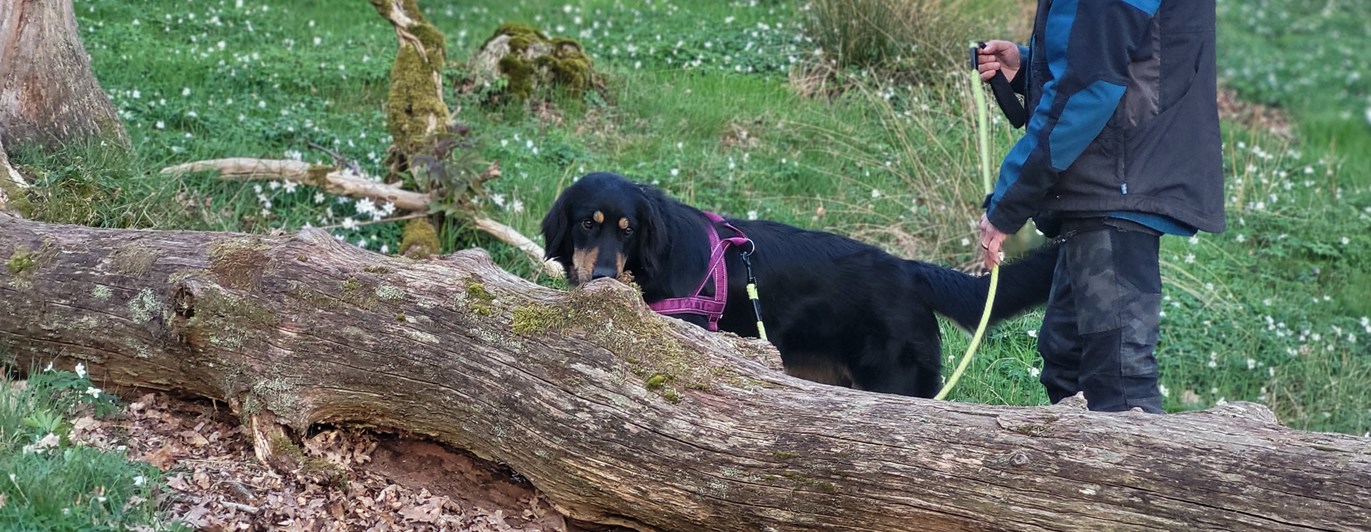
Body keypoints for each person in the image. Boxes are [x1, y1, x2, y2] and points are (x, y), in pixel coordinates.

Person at [975, 0, 1225, 413]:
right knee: (1068, 362)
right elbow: (1118, 53)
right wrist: (1031, 67)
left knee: (1118, 384)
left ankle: (1142, 460)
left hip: (1116, 185)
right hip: (1107, 183)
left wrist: (1008, 203)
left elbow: (1089, 86)